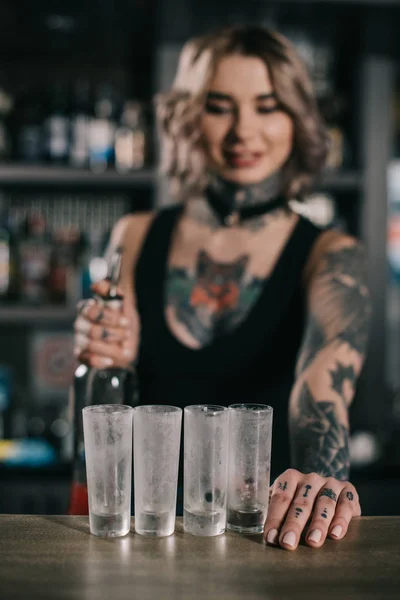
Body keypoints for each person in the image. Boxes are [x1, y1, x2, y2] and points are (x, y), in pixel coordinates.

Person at [74, 25, 371, 551]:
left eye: (267, 105)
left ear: (298, 119)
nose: (243, 131)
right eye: (219, 106)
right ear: (189, 117)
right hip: (145, 541)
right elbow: (104, 413)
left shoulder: (331, 257)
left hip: (268, 542)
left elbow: (320, 400)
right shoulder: (136, 236)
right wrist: (104, 363)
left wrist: (320, 481)